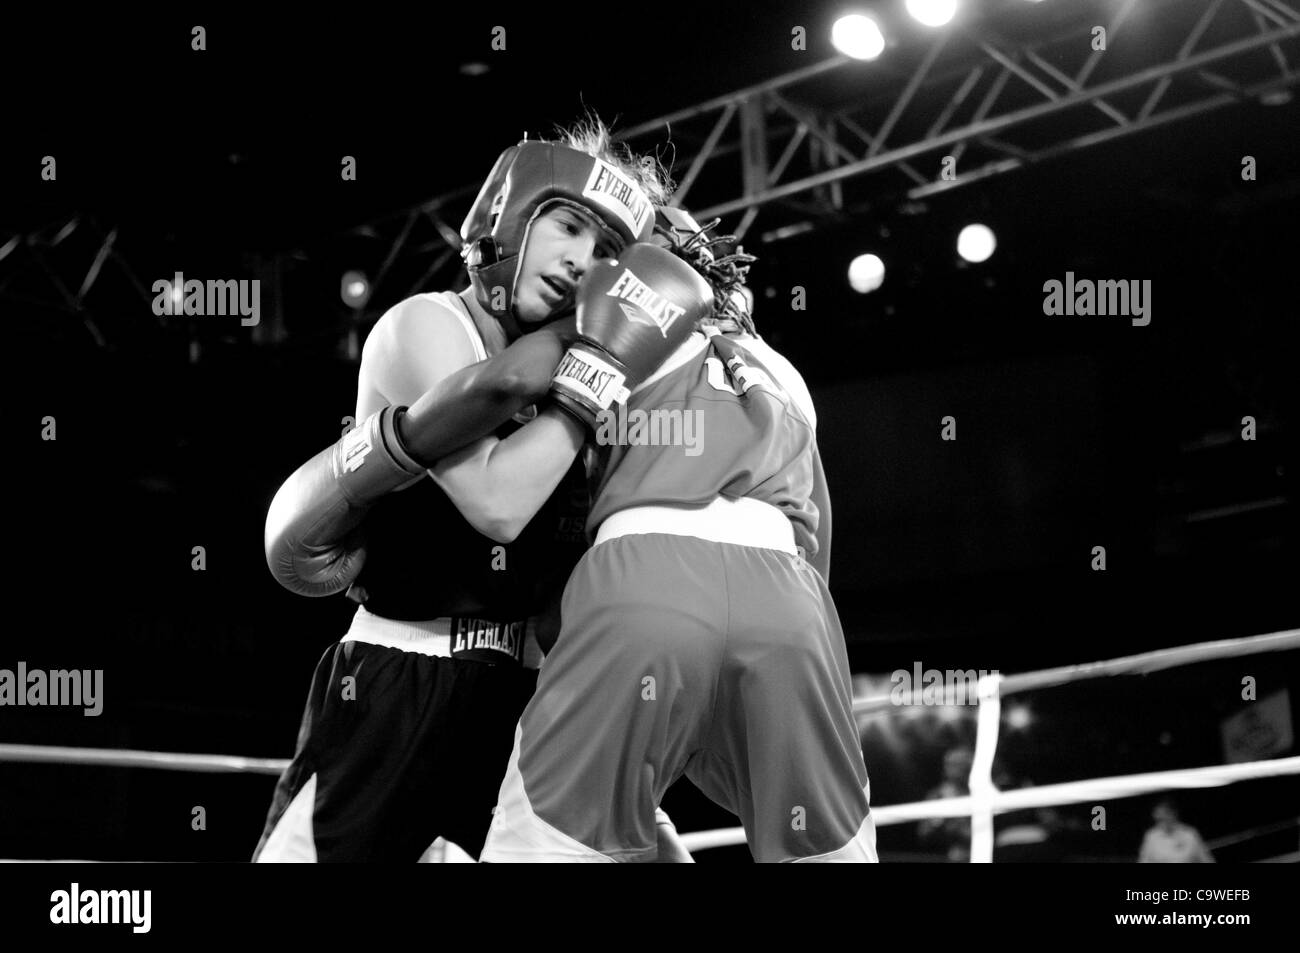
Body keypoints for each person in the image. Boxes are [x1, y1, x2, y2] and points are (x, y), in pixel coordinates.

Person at [254, 118, 692, 861]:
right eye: (569, 225)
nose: (580, 261)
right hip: (399, 685)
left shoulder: (589, 365)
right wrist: (597, 365)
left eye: (608, 252)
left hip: (530, 700)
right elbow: (498, 504)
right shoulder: (422, 326)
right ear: (507, 215)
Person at [429, 207, 878, 861]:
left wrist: (400, 440)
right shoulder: (784, 371)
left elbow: (504, 380)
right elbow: (820, 539)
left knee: (549, 843)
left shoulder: (623, 316)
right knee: (828, 850)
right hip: (793, 608)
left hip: (645, 579)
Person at [1138, 799, 1215, 863]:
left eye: (1162, 818)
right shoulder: (1151, 836)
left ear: (1173, 814)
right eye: (1157, 819)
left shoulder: (1189, 833)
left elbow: (1206, 859)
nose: (1160, 823)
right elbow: (1144, 860)